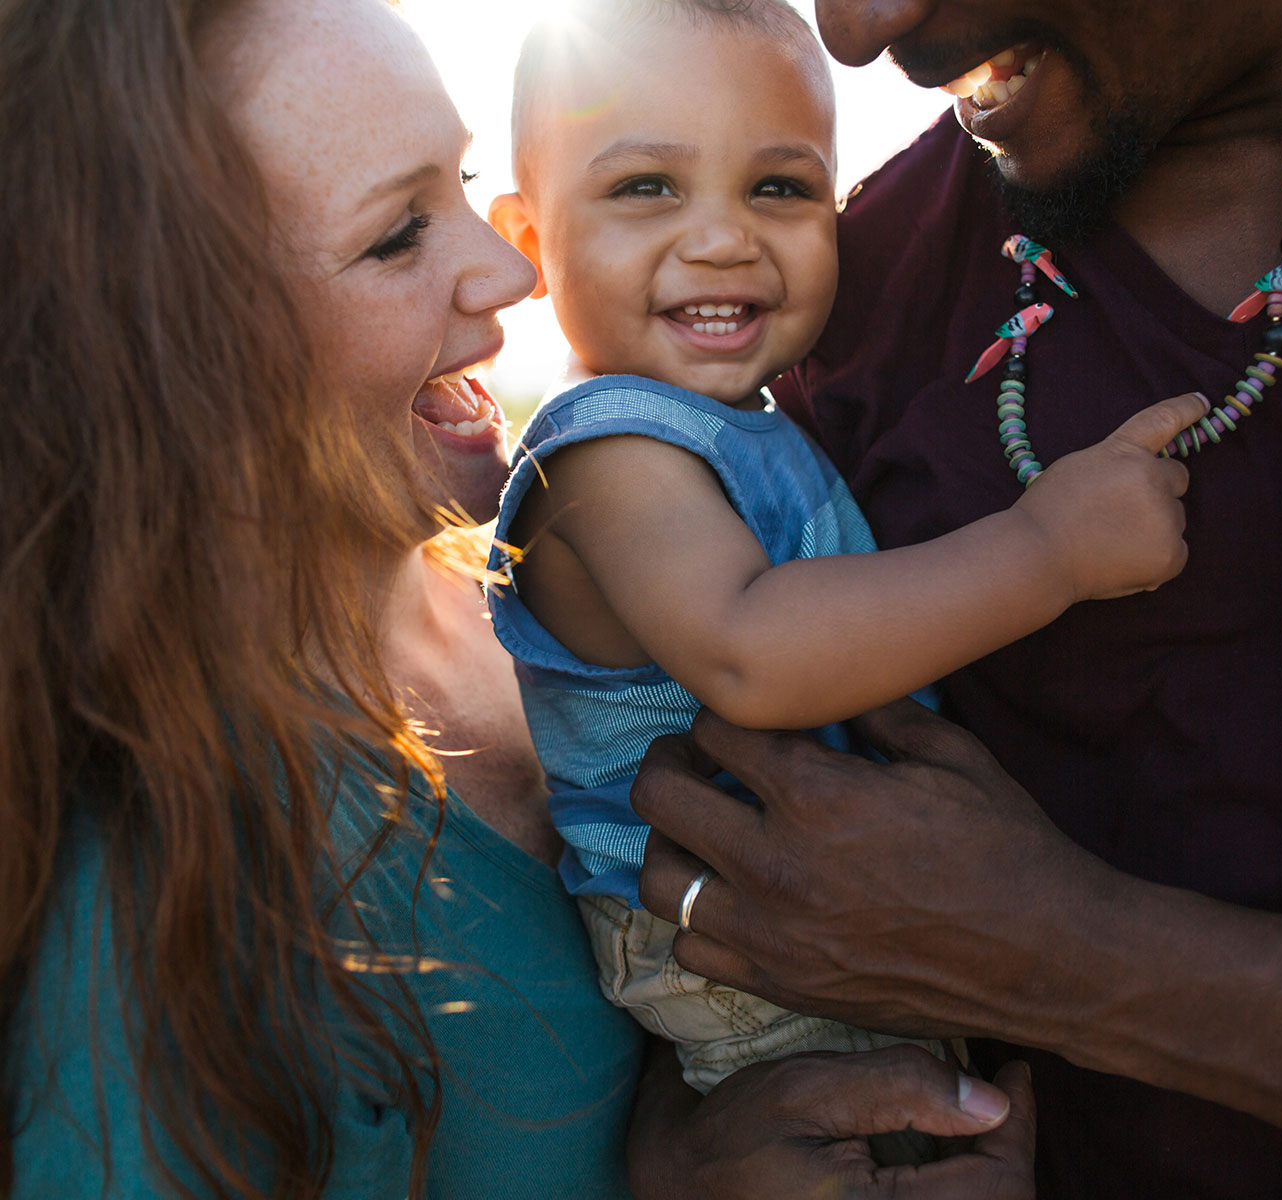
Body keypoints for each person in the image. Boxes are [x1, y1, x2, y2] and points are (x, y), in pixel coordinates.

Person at [0, 0, 1039, 1196]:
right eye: (398, 235)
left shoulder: (541, 585)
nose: (508, 269)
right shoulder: (160, 913)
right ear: (152, 360)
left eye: (462, 183)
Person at [634, 0, 1282, 1197]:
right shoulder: (857, 279)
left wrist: (1067, 960)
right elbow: (708, 822)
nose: (857, 27)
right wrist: (687, 1146)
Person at [482, 0, 1205, 1105]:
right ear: (532, 246)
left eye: (777, 188)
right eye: (644, 189)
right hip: (736, 949)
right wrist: (1045, 551)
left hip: (811, 911)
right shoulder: (603, 455)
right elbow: (749, 653)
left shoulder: (738, 429)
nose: (723, 237)